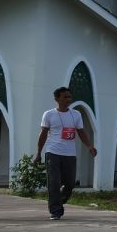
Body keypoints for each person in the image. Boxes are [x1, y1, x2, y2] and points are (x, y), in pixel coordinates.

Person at [36, 87, 97, 220]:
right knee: (54, 182)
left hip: (70, 154)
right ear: (57, 99)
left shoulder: (76, 114)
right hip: (53, 152)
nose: (68, 99)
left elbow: (81, 132)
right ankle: (55, 211)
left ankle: (59, 201)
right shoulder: (49, 114)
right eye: (65, 97)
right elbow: (43, 134)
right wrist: (38, 152)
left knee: (70, 183)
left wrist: (89, 146)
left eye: (69, 97)